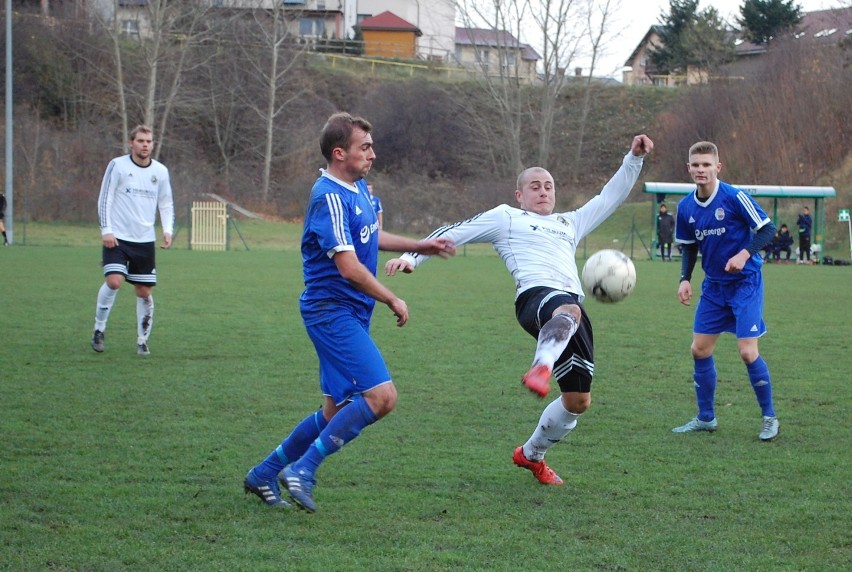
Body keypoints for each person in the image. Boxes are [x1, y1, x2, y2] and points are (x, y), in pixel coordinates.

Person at [385, 134, 654, 486]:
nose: (543, 192)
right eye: (535, 187)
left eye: (548, 187)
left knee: (578, 401)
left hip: (570, 314)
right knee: (568, 310)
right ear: (519, 195)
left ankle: (531, 455)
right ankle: (540, 367)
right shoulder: (506, 218)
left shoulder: (569, 223)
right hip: (536, 299)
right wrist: (411, 257)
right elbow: (456, 232)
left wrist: (633, 159)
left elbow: (609, 198)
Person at [243, 112, 455, 512]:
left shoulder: (361, 191)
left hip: (351, 313)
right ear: (339, 154)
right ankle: (303, 470)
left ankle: (265, 472)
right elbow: (349, 266)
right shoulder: (328, 196)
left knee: (334, 412)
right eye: (365, 147)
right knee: (382, 397)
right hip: (331, 310)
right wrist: (391, 297)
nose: (373, 153)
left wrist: (421, 246)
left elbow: (372, 236)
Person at [673, 141, 780, 441]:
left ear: (717, 167)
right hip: (714, 288)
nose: (700, 170)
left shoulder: (734, 197)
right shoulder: (685, 207)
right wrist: (685, 278)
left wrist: (745, 254)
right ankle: (706, 418)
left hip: (745, 284)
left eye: (706, 164)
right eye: (696, 165)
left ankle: (770, 417)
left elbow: (768, 229)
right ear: (689, 168)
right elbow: (690, 247)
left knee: (747, 352)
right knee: (699, 349)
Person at [90, 125, 174, 356]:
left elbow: (166, 202)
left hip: (144, 241)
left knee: (144, 292)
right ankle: (99, 329)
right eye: (140, 141)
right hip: (117, 238)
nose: (145, 144)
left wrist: (167, 229)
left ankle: (142, 340)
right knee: (114, 281)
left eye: (149, 141)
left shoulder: (161, 171)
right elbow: (104, 198)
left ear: (153, 144)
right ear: (131, 143)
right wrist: (106, 230)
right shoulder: (117, 166)